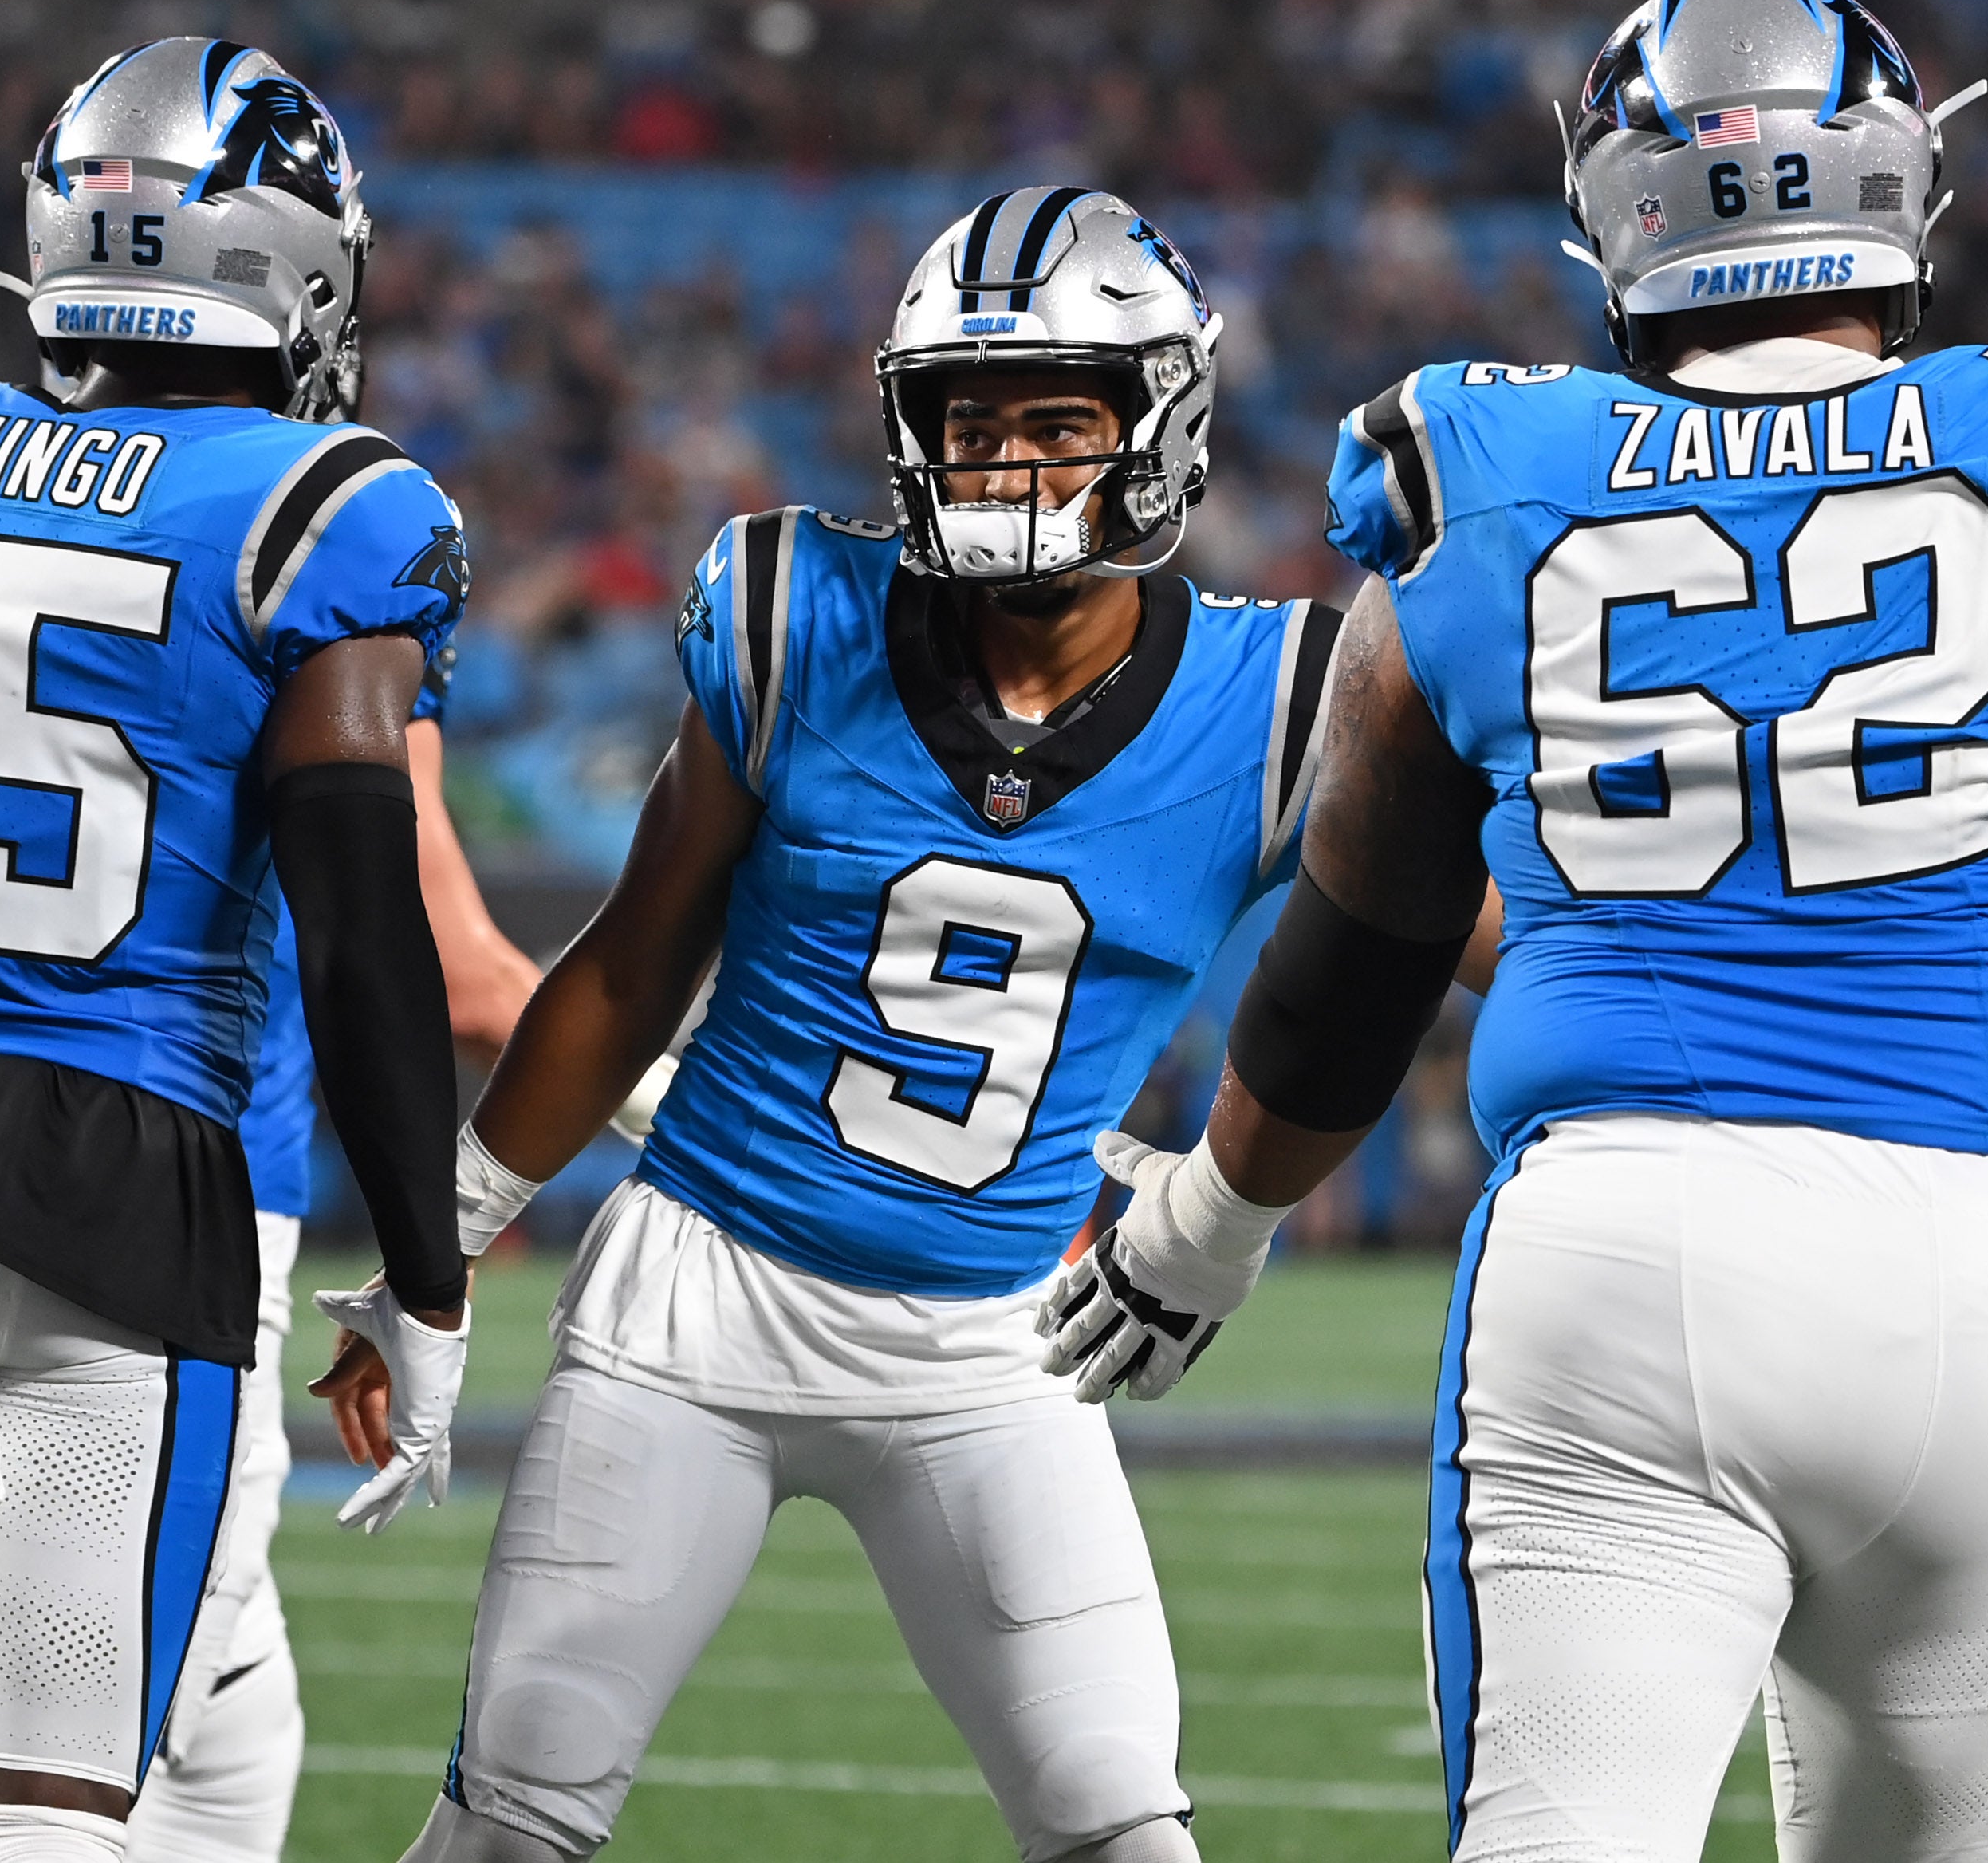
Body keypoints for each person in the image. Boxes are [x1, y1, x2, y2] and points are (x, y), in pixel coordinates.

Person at [1040, 0, 1988, 1861]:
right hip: (1976, 1272)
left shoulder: (1473, 478)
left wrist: (1200, 1229)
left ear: (1615, 215)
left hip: (1620, 1259)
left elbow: (1356, 954)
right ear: (1895, 183)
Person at [353, 187, 1339, 1863]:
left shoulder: (1284, 699)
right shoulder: (789, 612)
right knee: (512, 1819)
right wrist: (438, 1253)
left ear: (1156, 424)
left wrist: (1226, 1210)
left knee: (1122, 1830)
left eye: (1056, 420)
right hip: (696, 1307)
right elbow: (623, 967)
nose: (1006, 465)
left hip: (996, 1349)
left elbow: (1436, 953)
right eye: (969, 423)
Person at [0, 38, 474, 1863]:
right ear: (290, 262)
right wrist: (428, 1285)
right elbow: (369, 953)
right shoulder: (328, 509)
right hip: (114, 1185)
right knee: (50, 1804)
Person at [0, 701, 541, 1863]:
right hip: (178, 1189)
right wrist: (690, 1082)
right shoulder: (315, 572)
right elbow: (458, 979)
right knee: (81, 1773)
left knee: (234, 1740)